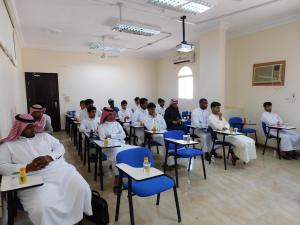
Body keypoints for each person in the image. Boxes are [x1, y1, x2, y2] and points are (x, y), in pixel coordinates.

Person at [0, 114, 92, 225]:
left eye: (34, 126)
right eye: (29, 127)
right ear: (20, 127)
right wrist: (27, 167)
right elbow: (2, 166)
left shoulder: (44, 136)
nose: (34, 129)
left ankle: (76, 217)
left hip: (59, 171)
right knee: (43, 207)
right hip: (32, 178)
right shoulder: (8, 145)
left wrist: (50, 157)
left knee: (83, 189)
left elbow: (60, 147)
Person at [98, 107, 136, 193]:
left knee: (134, 149)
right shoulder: (101, 126)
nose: (112, 116)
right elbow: (103, 139)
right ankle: (117, 178)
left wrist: (111, 136)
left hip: (121, 144)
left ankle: (130, 173)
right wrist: (116, 137)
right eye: (109, 114)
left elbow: (123, 135)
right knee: (118, 154)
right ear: (105, 115)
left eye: (113, 114)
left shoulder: (117, 124)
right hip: (109, 148)